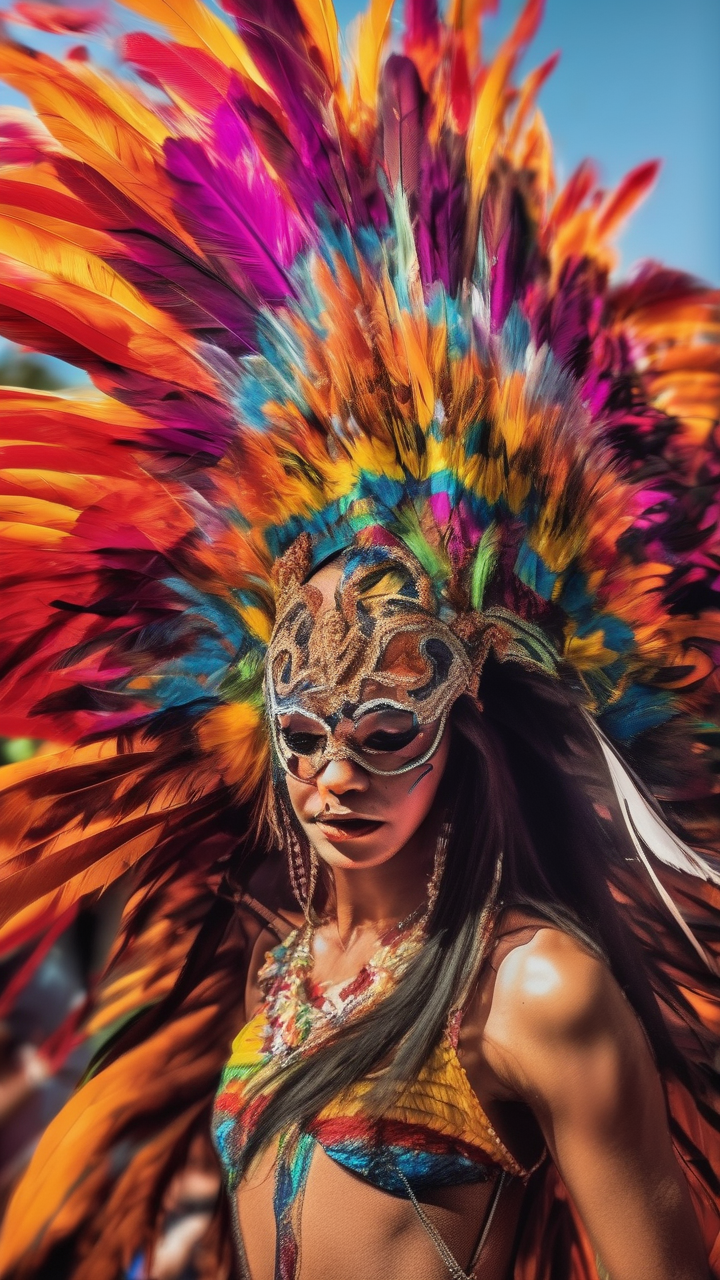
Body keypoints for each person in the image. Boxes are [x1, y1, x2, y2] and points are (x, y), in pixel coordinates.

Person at [0, 1, 718, 1278]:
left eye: (388, 733)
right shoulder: (278, 963)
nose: (337, 774)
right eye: (306, 735)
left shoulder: (539, 989)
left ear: (466, 729)